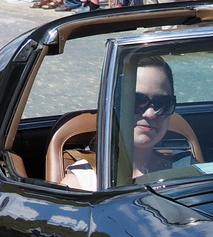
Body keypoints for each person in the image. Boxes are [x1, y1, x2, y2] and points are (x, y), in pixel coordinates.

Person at [62, 57, 182, 190]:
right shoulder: (84, 182)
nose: (150, 113)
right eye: (137, 100)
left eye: (162, 103)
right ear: (112, 105)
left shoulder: (185, 171)